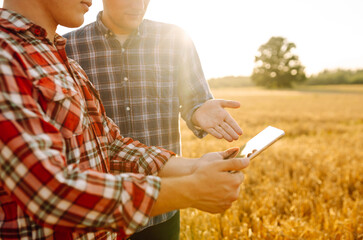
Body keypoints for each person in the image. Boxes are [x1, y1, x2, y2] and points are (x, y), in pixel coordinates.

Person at [0, 0, 250, 240]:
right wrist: (192, 189)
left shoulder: (60, 58)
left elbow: (109, 145)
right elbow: (48, 193)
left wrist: (193, 167)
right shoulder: (6, 55)